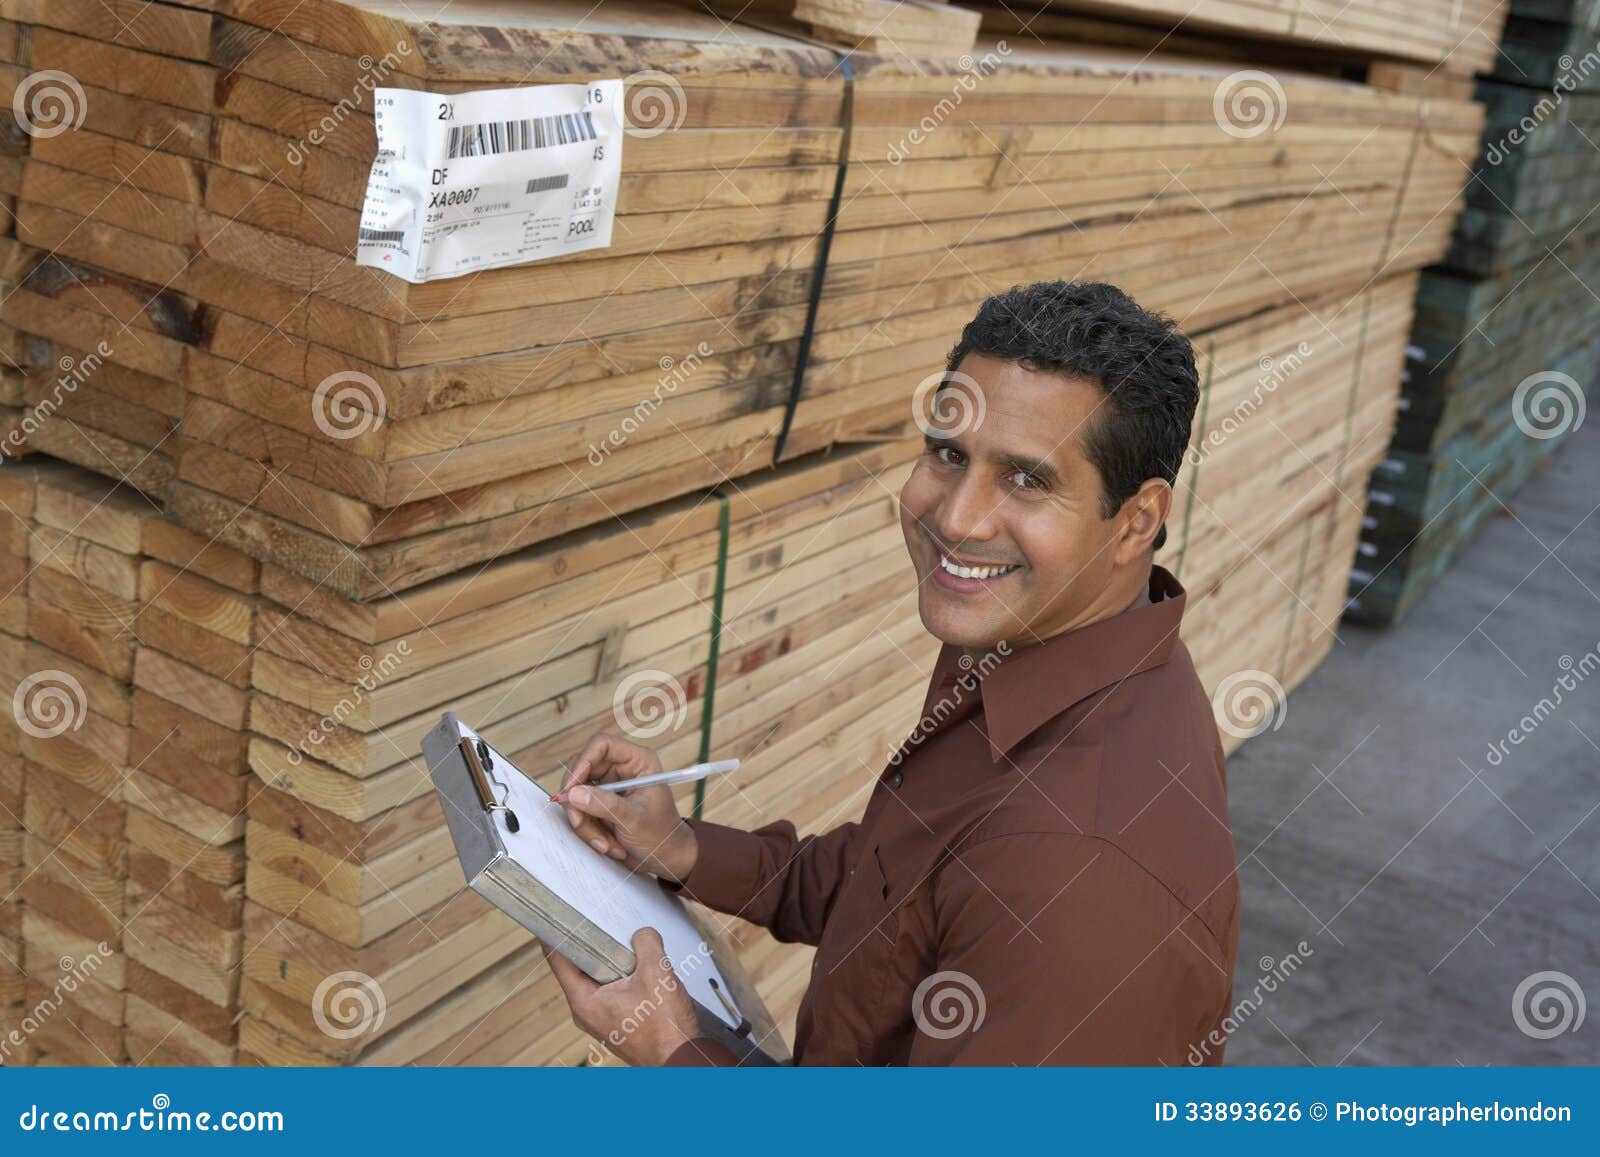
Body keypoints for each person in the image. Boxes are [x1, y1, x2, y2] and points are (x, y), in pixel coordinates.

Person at [544, 280, 1240, 1065]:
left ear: (1138, 520)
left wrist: (675, 1048)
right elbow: (900, 891)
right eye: (948, 455)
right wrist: (685, 849)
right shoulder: (1042, 653)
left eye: (1027, 479)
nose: (955, 517)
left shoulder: (1080, 879)